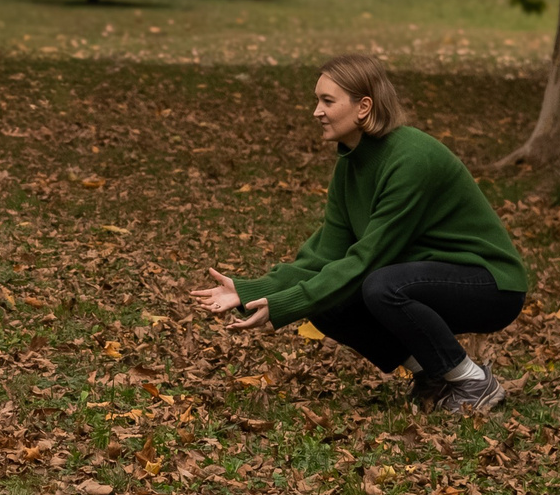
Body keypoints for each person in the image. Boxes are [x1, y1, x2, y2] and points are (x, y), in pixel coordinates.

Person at [191, 53, 530, 414]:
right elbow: (324, 258)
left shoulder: (411, 159)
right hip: (425, 276)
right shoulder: (351, 164)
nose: (316, 112)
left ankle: (472, 381)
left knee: (380, 285)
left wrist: (285, 305)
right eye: (316, 100)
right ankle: (431, 373)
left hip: (490, 284)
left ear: (363, 107)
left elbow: (369, 259)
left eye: (327, 101)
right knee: (327, 300)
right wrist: (250, 289)